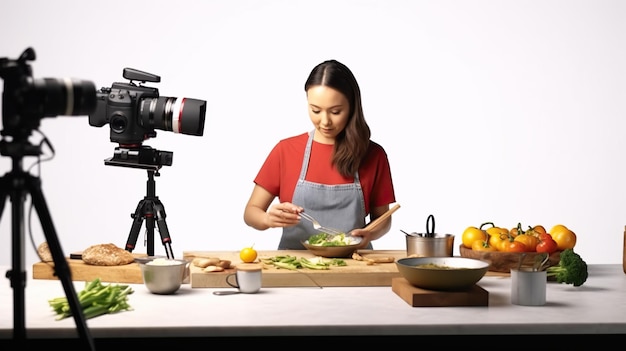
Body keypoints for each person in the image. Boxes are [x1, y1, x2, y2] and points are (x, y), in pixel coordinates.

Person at [243, 59, 396, 250]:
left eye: (335, 111)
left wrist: (370, 233)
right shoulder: (286, 150)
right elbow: (251, 212)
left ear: (352, 107)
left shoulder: (373, 155)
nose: (325, 121)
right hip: (294, 267)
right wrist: (267, 219)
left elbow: (383, 220)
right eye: (315, 110)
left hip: (354, 266)